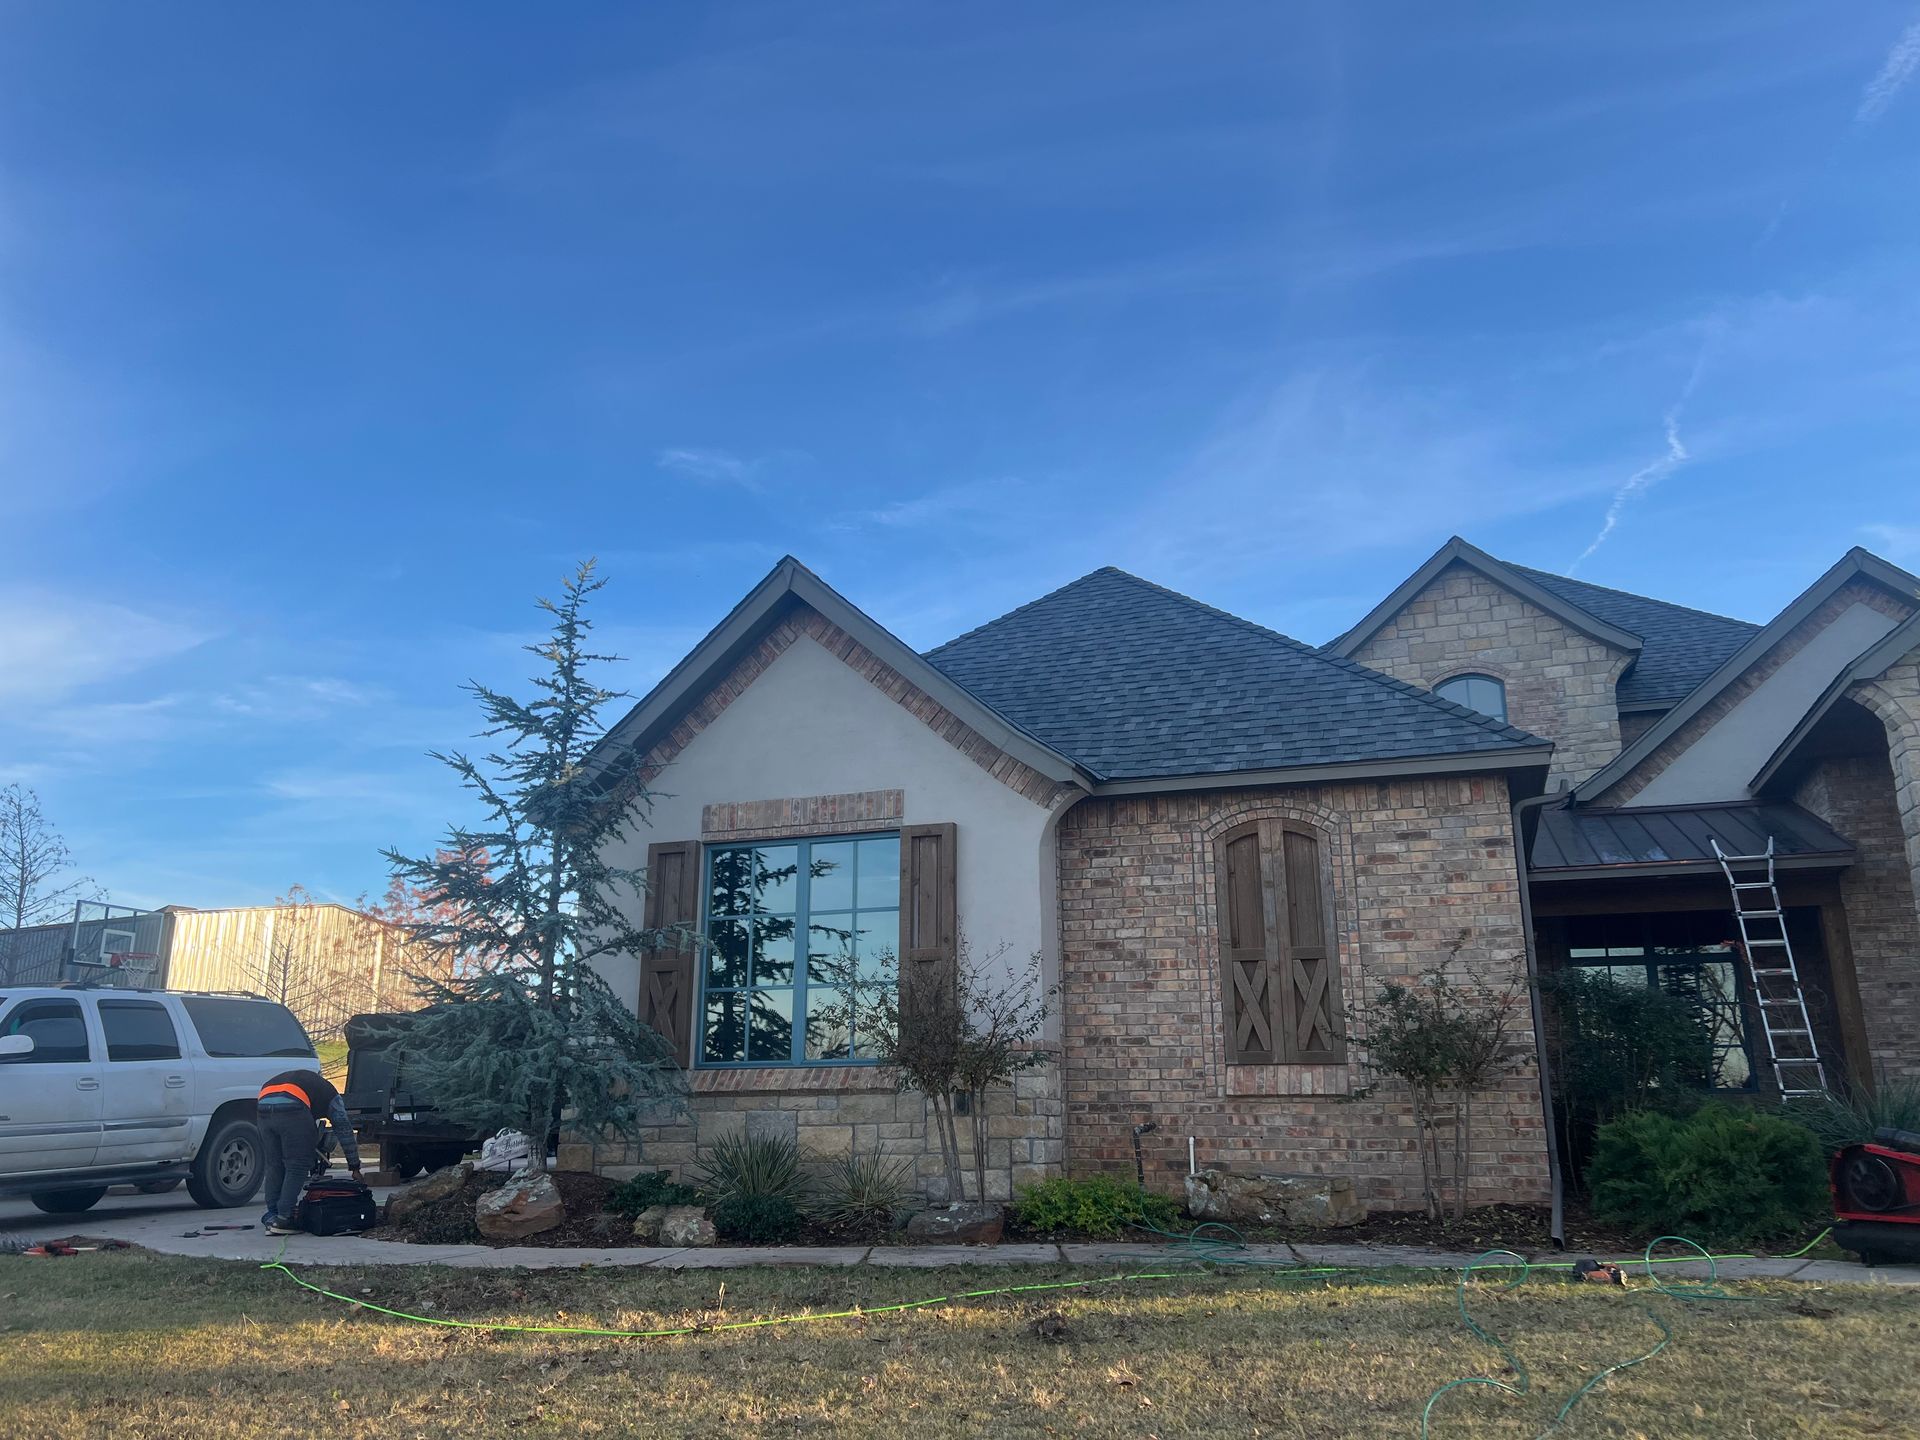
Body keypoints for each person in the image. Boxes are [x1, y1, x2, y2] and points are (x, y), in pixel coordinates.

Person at [256, 1068, 362, 1236]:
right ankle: (285, 1217)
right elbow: (343, 1128)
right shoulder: (332, 1096)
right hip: (292, 1106)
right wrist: (354, 1166)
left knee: (274, 1164)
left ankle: (272, 1215)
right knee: (297, 1165)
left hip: (263, 1104)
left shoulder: (309, 1084)